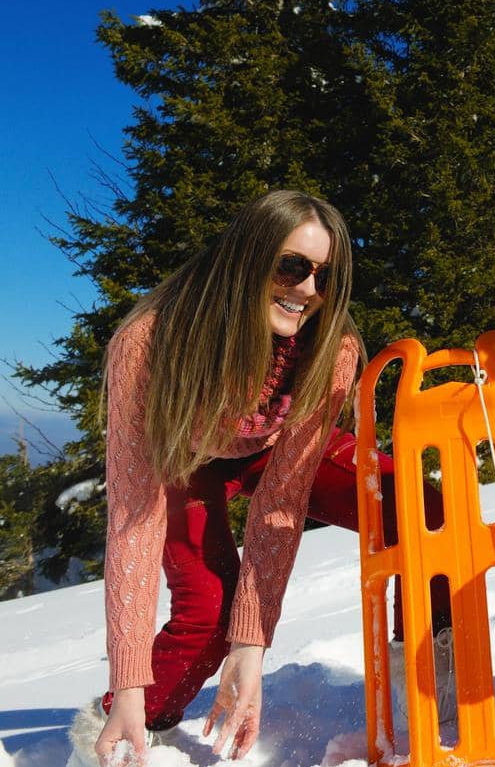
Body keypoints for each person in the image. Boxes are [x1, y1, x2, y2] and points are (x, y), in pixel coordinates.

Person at [71, 189, 447, 766]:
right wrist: (127, 681)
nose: (307, 290)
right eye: (291, 265)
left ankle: (428, 676)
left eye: (326, 275)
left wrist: (253, 643)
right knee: (209, 606)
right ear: (246, 256)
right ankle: (129, 726)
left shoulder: (331, 345)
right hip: (182, 458)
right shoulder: (149, 342)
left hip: (272, 454)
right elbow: (132, 526)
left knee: (418, 506)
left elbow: (283, 501)